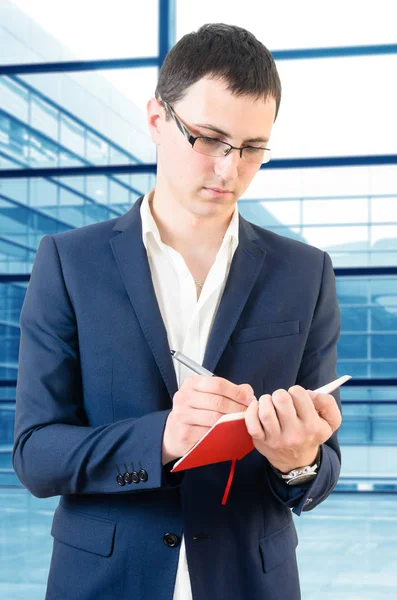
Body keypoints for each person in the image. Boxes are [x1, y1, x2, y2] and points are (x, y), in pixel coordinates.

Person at [13, 23, 342, 600]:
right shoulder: (69, 262)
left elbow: (320, 468)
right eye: (210, 139)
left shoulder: (305, 273)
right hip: (104, 582)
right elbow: (36, 454)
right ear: (157, 119)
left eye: (252, 148)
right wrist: (159, 438)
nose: (229, 170)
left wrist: (300, 460)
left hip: (251, 583)